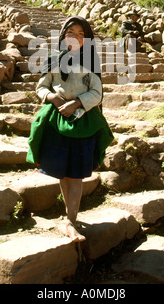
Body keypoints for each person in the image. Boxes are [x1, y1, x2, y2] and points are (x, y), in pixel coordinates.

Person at [27, 16, 113, 242]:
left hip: (82, 121)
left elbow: (97, 93)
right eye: (70, 32)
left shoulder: (90, 62)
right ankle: (69, 216)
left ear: (87, 40)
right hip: (57, 121)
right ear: (63, 36)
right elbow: (41, 87)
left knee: (75, 175)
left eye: (81, 34)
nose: (75, 37)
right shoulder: (53, 60)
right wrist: (53, 98)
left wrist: (76, 103)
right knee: (64, 171)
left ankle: (71, 220)